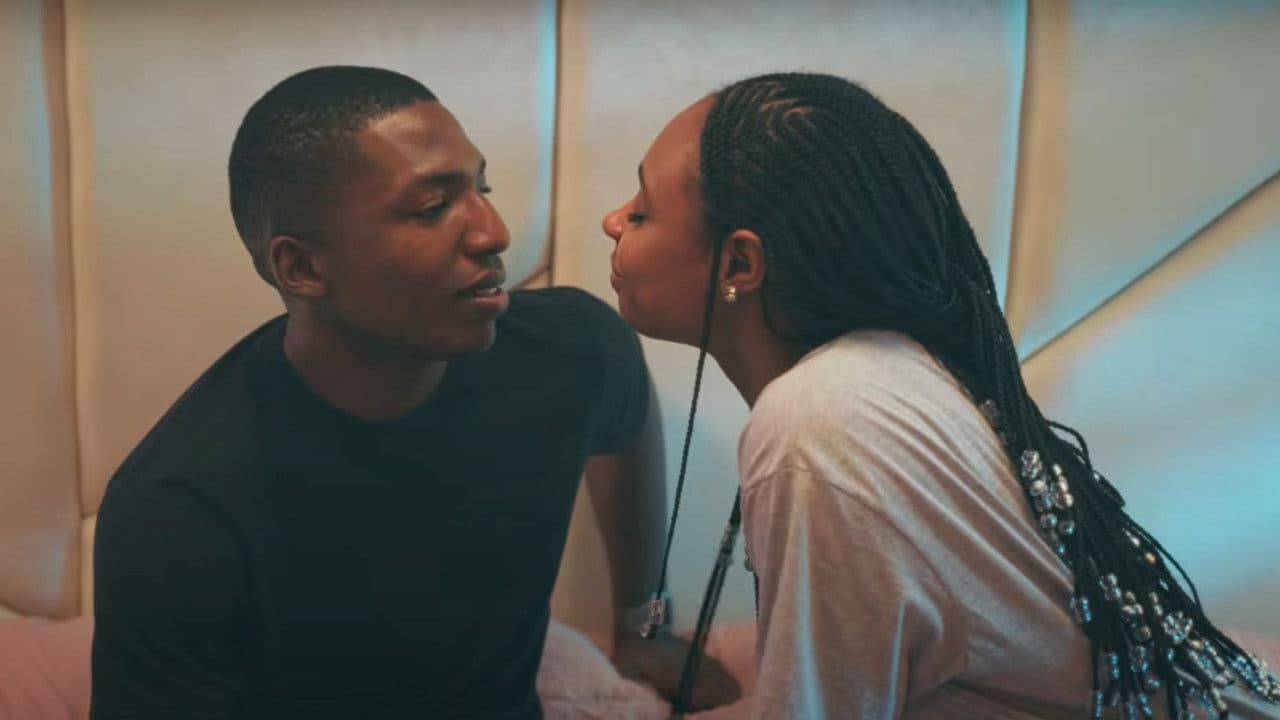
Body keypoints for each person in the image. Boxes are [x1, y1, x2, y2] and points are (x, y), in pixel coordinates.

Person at [603, 71, 1280, 719]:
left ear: (739, 263)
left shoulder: (819, 424)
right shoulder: (878, 371)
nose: (612, 221)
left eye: (641, 211)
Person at [90, 65, 738, 719]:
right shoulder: (179, 510)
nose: (493, 232)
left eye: (481, 188)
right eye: (432, 209)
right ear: (303, 267)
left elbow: (624, 411)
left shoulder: (567, 351)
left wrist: (640, 622)